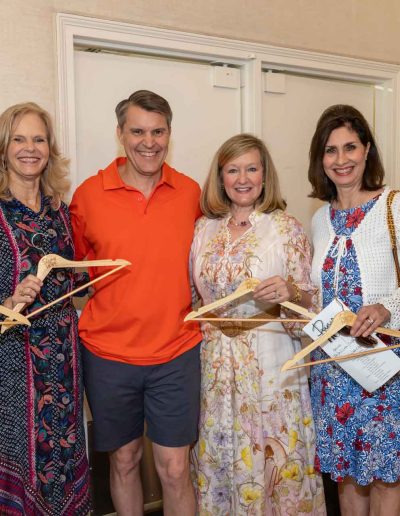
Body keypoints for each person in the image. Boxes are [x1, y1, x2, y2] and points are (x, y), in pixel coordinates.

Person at [70, 90, 202, 515]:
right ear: (120, 134)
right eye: (138, 131)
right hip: (108, 355)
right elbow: (74, 274)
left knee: (176, 468)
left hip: (177, 351)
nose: (149, 142)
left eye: (158, 131)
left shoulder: (190, 193)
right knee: (124, 462)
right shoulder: (88, 195)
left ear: (169, 133)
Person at [190, 133, 326, 515]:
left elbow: (312, 303)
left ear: (265, 176)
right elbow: (194, 296)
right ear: (221, 178)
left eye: (252, 168)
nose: (242, 178)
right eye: (233, 169)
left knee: (275, 463)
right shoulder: (204, 229)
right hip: (216, 367)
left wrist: (289, 293)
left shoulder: (285, 228)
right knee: (221, 457)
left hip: (271, 362)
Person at [308, 104, 400, 516]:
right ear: (320, 159)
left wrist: (386, 307)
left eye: (350, 147)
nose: (341, 160)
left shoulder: (393, 208)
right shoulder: (318, 220)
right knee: (345, 478)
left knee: (385, 476)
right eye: (331, 150)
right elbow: (318, 293)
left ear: (367, 151)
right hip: (331, 368)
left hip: (382, 367)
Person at [0, 102, 90, 514]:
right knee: (24, 463)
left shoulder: (61, 211)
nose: (29, 148)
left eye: (39, 139)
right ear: (4, 147)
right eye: (19, 139)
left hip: (65, 360)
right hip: (13, 364)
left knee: (64, 456)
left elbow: (74, 282)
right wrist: (8, 302)